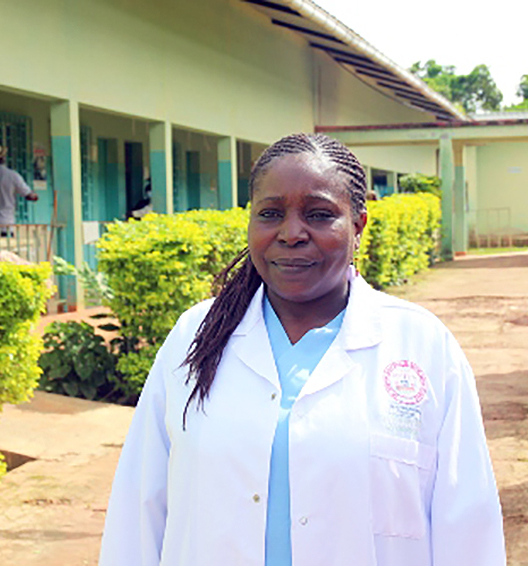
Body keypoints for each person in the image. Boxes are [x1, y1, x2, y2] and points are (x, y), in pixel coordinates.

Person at [99, 133, 505, 566]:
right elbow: (139, 511)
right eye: (270, 214)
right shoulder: (193, 338)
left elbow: (468, 527)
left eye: (319, 214)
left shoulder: (423, 347)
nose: (292, 234)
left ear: (358, 225)